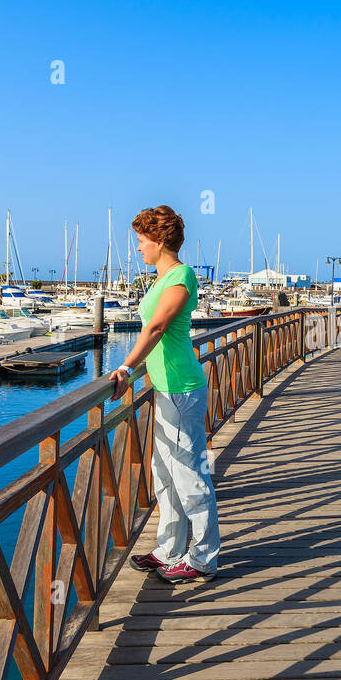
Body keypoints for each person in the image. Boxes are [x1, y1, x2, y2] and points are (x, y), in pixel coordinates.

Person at [110, 205, 220, 584]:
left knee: (189, 474)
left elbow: (156, 327)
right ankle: (170, 548)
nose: (137, 249)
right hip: (165, 388)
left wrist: (126, 367)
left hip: (180, 388)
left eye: (141, 242)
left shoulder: (181, 275)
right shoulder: (160, 279)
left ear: (159, 242)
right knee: (165, 472)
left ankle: (203, 557)